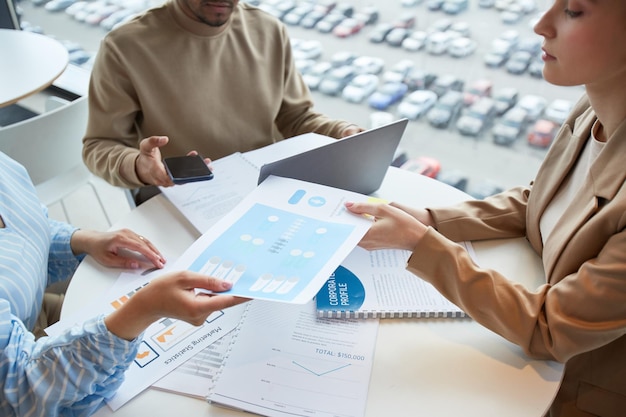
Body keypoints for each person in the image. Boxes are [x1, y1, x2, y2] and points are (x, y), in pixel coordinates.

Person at [344, 1, 626, 416]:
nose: (540, 25)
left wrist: (421, 242)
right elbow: (540, 200)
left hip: (576, 395)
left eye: (574, 11)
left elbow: (550, 328)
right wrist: (431, 220)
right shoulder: (591, 109)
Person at [0, 151, 246, 416]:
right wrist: (144, 310)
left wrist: (83, 240)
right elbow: (26, 393)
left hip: (35, 321)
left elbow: (26, 225)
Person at [82, 0, 363, 195]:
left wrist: (343, 132)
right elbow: (100, 145)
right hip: (183, 196)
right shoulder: (126, 46)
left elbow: (296, 116)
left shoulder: (268, 29)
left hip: (266, 187)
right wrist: (139, 167)